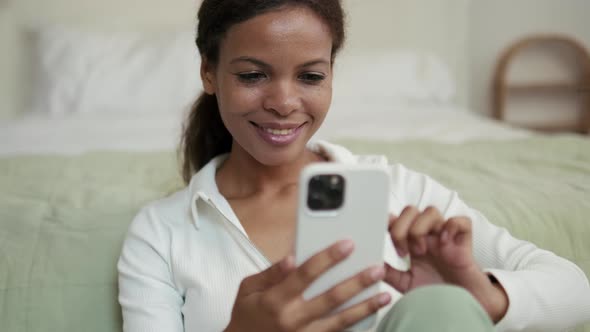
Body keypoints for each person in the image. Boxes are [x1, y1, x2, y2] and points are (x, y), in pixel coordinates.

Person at [117, 1, 590, 331]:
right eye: (253, 75)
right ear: (208, 73)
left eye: (310, 76)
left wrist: (476, 293)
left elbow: (575, 289)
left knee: (441, 306)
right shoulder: (161, 232)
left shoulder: (397, 190)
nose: (284, 102)